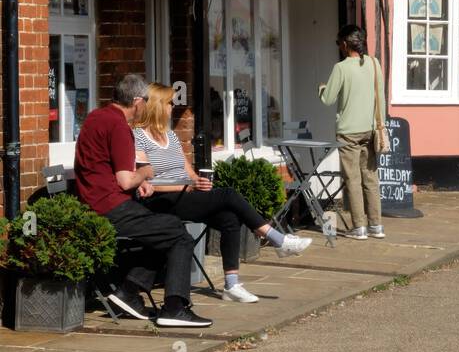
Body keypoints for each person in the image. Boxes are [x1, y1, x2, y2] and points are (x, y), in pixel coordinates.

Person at [133, 83, 312, 302]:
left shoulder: (170, 136)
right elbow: (145, 180)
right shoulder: (138, 137)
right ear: (158, 106)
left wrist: (197, 181)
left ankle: (231, 285)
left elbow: (187, 170)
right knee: (228, 194)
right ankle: (275, 238)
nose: (173, 107)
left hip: (184, 195)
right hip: (161, 199)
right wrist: (185, 185)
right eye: (170, 103)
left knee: (229, 217)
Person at [73, 73, 211, 328]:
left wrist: (141, 181)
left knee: (164, 227)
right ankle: (175, 308)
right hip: (110, 208)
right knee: (179, 234)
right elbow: (126, 181)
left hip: (93, 202)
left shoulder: (95, 117)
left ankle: (128, 292)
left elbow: (107, 168)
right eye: (146, 101)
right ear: (137, 102)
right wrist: (147, 172)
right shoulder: (120, 127)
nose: (147, 106)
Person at [319, 24, 386, 241]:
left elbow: (327, 99)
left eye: (339, 44)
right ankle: (376, 225)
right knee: (371, 179)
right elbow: (381, 99)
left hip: (348, 132)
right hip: (370, 129)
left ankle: (359, 227)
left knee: (353, 180)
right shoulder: (374, 64)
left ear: (346, 44)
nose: (339, 47)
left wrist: (321, 88)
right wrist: (380, 126)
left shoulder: (341, 68)